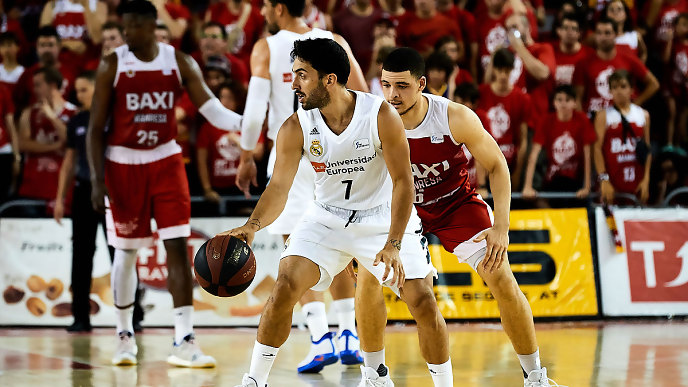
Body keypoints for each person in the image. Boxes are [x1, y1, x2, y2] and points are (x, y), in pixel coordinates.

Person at [226, 38, 451, 387]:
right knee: (285, 285)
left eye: (302, 75)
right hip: (326, 218)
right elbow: (278, 188)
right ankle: (254, 381)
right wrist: (252, 226)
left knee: (421, 300)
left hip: (382, 218)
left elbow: (404, 183)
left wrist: (392, 243)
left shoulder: (379, 115)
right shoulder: (295, 126)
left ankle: (437, 382)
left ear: (329, 79)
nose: (293, 83)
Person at [381, 46, 559, 387]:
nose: (393, 95)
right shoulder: (375, 118)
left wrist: (502, 227)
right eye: (387, 85)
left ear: (421, 84)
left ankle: (535, 377)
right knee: (400, 292)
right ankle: (374, 374)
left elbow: (496, 165)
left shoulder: (453, 116)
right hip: (405, 212)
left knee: (502, 279)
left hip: (455, 205)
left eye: (401, 86)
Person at [86, 0, 243, 367]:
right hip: (123, 163)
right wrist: (96, 179)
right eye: (123, 27)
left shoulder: (178, 61)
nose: (127, 34)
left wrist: (250, 123)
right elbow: (95, 129)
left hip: (166, 159)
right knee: (126, 252)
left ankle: (184, 338)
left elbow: (210, 109)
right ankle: (124, 334)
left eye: (133, 26)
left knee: (177, 246)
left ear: (151, 25)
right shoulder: (113, 64)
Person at [235, 0, 368, 374]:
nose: (261, 12)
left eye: (263, 5)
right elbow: (363, 95)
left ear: (278, 8)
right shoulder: (333, 40)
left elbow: (254, 108)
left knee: (297, 244)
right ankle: (348, 335)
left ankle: (319, 337)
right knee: (338, 240)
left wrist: (247, 154)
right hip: (336, 147)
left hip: (292, 150)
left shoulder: (267, 47)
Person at [54, 71, 144, 333]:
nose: (79, 94)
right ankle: (80, 316)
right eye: (78, 90)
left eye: (84, 89)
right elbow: (69, 161)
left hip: (115, 191)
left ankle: (134, 313)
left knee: (122, 253)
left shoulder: (115, 117)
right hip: (84, 191)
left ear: (96, 89)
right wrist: (60, 197)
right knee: (81, 256)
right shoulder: (77, 121)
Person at [522, 85, 596, 206]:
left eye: (567, 100)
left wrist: (586, 187)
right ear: (554, 102)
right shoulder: (545, 121)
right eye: (559, 99)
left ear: (575, 103)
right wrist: (528, 186)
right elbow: (534, 154)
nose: (563, 104)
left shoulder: (582, 120)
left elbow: (588, 155)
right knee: (537, 202)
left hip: (576, 181)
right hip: (553, 180)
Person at [572, 17, 658, 115]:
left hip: (624, 117)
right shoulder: (583, 63)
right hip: (594, 116)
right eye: (599, 33)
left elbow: (654, 84)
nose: (603, 37)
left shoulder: (627, 56)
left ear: (615, 35)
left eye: (607, 33)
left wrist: (635, 105)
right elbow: (578, 99)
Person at [17, 67, 77, 205]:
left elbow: (71, 141)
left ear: (53, 85)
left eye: (38, 85)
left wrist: (52, 117)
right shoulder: (29, 113)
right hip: (33, 186)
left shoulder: (74, 113)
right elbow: (23, 144)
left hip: (64, 187)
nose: (34, 90)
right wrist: (55, 146)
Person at [594, 70, 651, 204]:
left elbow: (647, 150)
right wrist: (604, 179)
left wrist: (646, 180)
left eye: (623, 86)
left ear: (632, 90)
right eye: (614, 87)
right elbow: (596, 149)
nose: (619, 91)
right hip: (613, 179)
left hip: (636, 178)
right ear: (610, 91)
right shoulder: (603, 115)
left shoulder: (643, 115)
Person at [478, 48, 532, 191]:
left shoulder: (522, 98)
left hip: (510, 164)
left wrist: (518, 172)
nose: (503, 75)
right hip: (485, 162)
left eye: (507, 71)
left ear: (512, 70)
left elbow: (523, 139)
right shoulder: (481, 93)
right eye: (500, 70)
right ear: (493, 69)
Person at [396, 0, 463, 57]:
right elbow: (398, 51)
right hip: (413, 68)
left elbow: (461, 53)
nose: (422, 1)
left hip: (442, 68)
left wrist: (440, 56)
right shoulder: (403, 21)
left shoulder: (449, 23)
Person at [551, 13, 592, 86]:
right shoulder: (550, 51)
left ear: (579, 33)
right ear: (558, 31)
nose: (569, 32)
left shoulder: (589, 54)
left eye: (574, 28)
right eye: (565, 28)